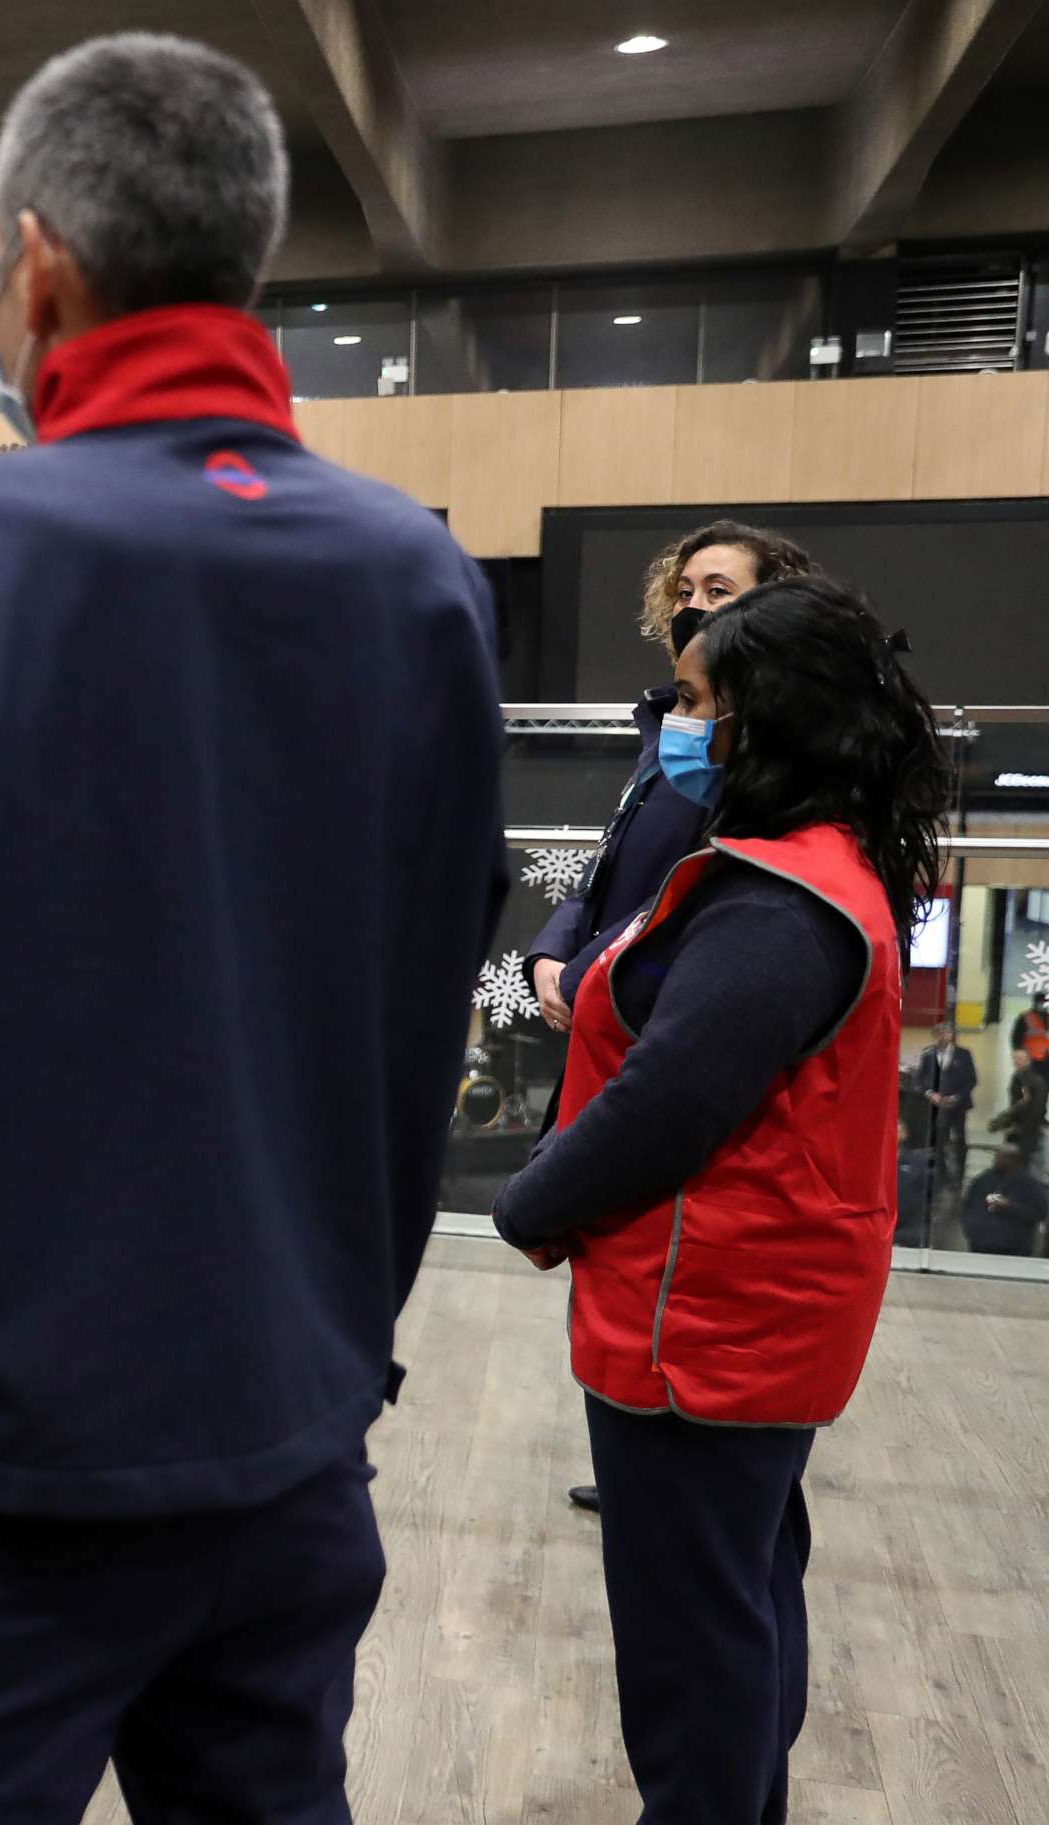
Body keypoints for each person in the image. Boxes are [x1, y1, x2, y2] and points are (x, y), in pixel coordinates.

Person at [0, 37, 505, 1823]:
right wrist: (319, 1317)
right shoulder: (417, 579)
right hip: (295, 1429)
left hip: (5, 1460)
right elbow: (421, 1020)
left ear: (40, 265)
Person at [492, 575, 950, 1823]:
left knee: (693, 1649)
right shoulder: (805, 866)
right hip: (750, 1312)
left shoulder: (775, 905)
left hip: (705, 1323)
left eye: (695, 702)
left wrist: (528, 1205)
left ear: (762, 718)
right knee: (743, 1597)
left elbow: (669, 1104)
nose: (675, 724)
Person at [528, 516, 816, 1517]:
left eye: (721, 588)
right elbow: (616, 864)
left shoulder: (765, 761)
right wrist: (557, 948)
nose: (694, 603)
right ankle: (634, 1444)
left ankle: (661, 1453)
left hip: (667, 1023)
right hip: (613, 1001)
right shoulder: (670, 730)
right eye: (686, 586)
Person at [907, 1020, 978, 1185]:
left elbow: (971, 1080)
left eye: (946, 1033)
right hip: (936, 1107)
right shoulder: (928, 1054)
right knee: (939, 1139)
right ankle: (942, 1174)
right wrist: (930, 1094)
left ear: (952, 1036)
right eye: (939, 1034)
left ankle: (960, 1171)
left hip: (958, 1106)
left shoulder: (964, 1054)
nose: (943, 1037)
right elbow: (920, 1079)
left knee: (960, 1138)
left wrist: (957, 1097)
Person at [961, 1147, 1048, 1256]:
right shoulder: (984, 1180)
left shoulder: (1030, 1185)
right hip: (981, 1243)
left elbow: (1039, 1212)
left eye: (1003, 1158)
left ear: (1015, 1161)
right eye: (997, 1157)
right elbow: (968, 1205)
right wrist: (971, 1229)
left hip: (1015, 1247)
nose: (997, 1160)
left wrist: (1009, 1206)